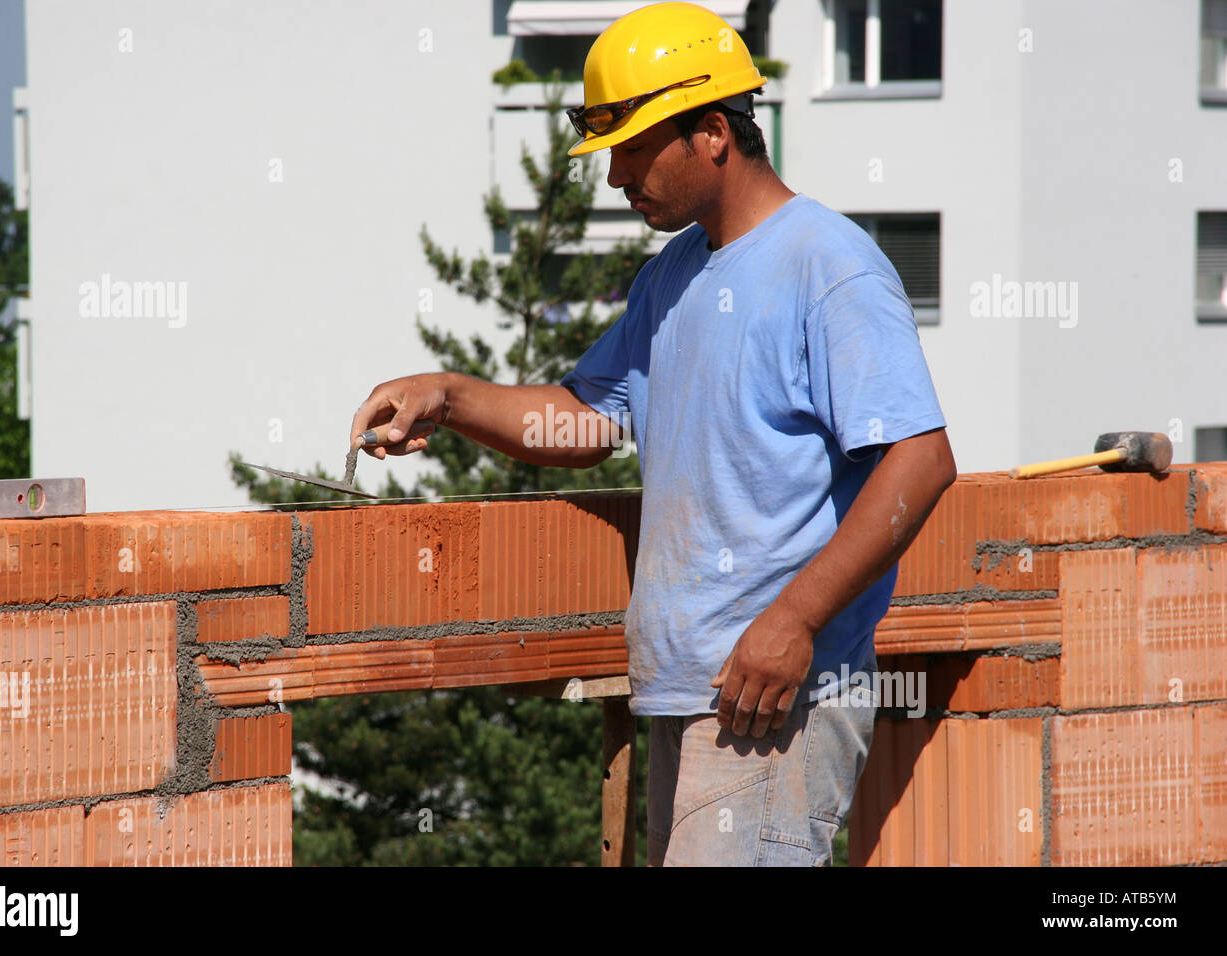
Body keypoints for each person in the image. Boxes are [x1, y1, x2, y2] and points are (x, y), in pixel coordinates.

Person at [350, 1, 956, 866]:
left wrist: (795, 620)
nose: (614, 181)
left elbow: (922, 460)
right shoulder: (674, 275)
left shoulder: (830, 265)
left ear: (713, 132)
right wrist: (446, 397)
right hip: (686, 687)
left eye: (632, 151)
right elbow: (589, 416)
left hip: (774, 693)